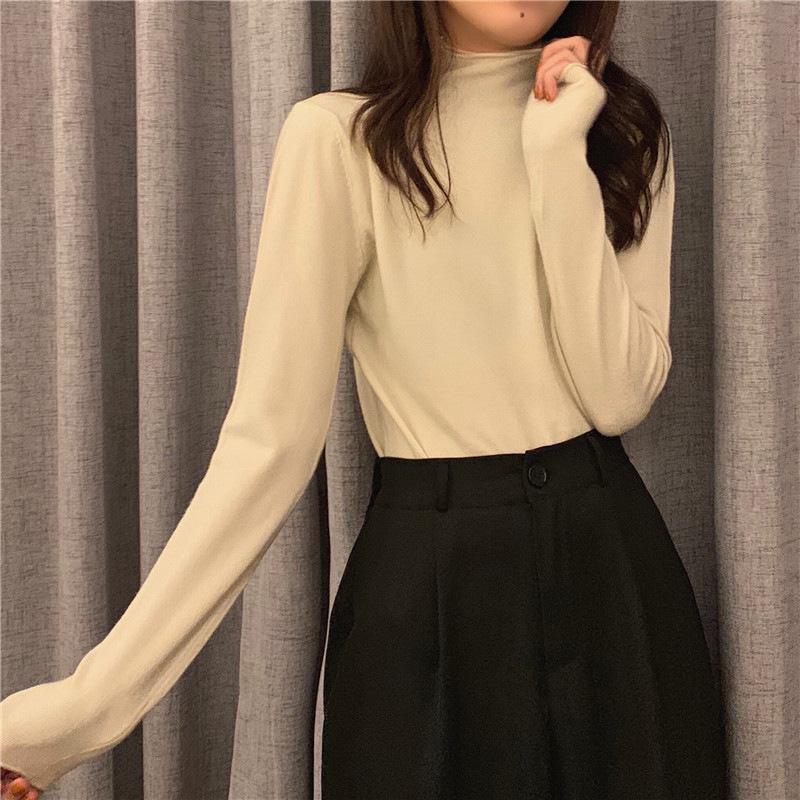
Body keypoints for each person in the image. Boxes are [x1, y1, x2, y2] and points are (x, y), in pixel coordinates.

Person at [1, 1, 729, 798]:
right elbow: (267, 447)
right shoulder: (341, 139)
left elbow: (619, 397)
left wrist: (558, 157)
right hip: (426, 596)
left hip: (611, 579)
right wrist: (79, 716)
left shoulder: (622, 129)